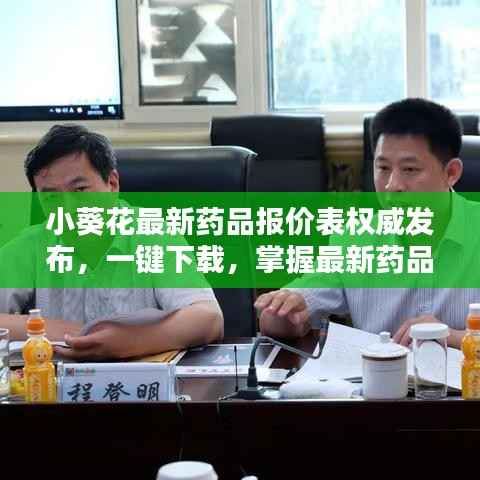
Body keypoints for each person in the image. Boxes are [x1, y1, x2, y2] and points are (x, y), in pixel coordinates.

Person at [256, 98, 478, 349]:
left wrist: (451, 337)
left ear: (451, 173)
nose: (392, 185)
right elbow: (283, 319)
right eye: (383, 168)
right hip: (380, 374)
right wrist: (281, 313)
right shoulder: (354, 238)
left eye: (410, 169)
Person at [0, 124, 223, 359]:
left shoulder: (152, 235)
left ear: (112, 184)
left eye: (80, 190)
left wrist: (131, 341)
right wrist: (71, 332)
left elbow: (209, 319)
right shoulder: (33, 244)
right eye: (51, 197)